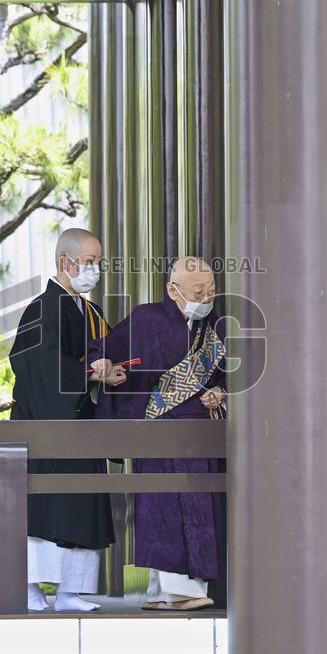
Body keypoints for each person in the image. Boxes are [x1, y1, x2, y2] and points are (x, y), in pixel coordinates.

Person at [89, 256, 227, 611]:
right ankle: (177, 590)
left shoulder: (217, 327)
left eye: (211, 291)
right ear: (173, 289)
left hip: (199, 434)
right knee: (162, 507)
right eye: (199, 291)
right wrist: (105, 369)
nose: (207, 298)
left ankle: (166, 592)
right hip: (160, 430)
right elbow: (102, 356)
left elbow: (228, 376)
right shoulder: (145, 319)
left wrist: (220, 392)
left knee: (197, 508)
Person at [9, 227, 127, 612]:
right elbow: (36, 366)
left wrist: (116, 370)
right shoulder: (41, 309)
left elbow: (108, 354)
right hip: (46, 427)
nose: (95, 269)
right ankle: (28, 589)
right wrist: (90, 374)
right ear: (65, 262)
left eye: (98, 262)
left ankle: (70, 592)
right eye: (89, 262)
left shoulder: (91, 313)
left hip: (83, 426)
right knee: (40, 509)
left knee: (82, 507)